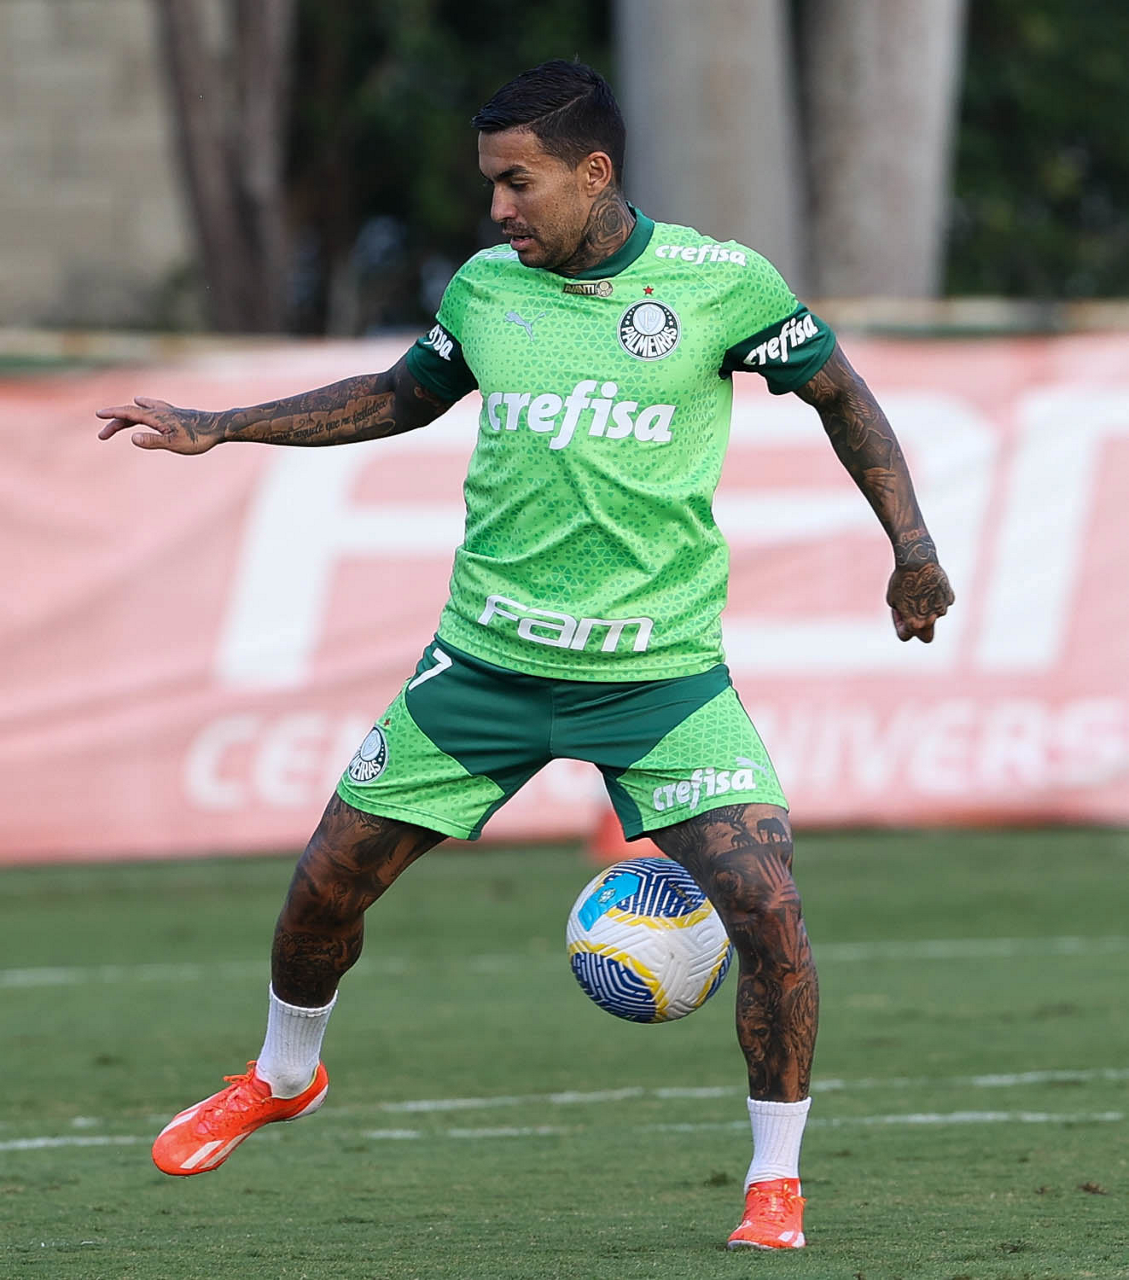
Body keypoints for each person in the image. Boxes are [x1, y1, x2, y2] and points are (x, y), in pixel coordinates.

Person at [97, 60, 953, 1251]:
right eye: (490, 184)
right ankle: (285, 1072)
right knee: (322, 888)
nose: (497, 208)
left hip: (658, 678)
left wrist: (911, 549)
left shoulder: (719, 282)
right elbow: (399, 394)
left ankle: (774, 1183)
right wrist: (221, 425)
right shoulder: (486, 289)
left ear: (593, 173)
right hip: (484, 668)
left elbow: (842, 397)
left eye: (518, 182)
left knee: (768, 908)